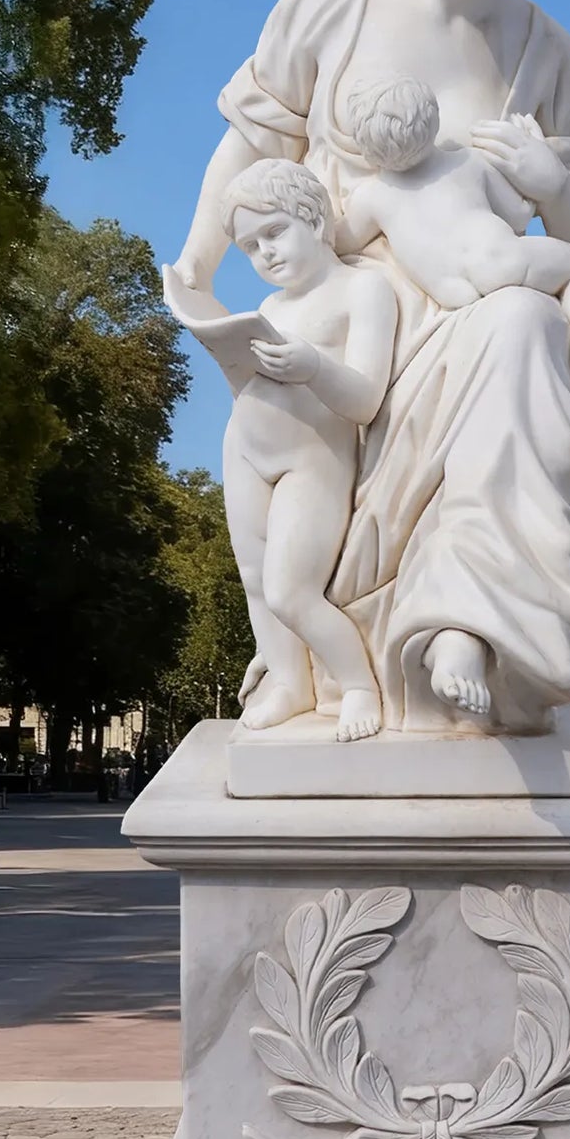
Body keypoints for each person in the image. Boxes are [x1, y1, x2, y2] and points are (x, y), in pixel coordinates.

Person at [173, 0, 570, 733]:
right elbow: (254, 145)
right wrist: (197, 262)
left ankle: (470, 623)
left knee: (528, 324)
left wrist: (545, 182)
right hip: (342, 311)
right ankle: (315, 662)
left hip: (474, 304)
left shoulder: (548, 57)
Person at [220, 159, 400, 740]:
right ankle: (291, 682)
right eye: (250, 246)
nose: (264, 254)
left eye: (274, 232)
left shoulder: (363, 289)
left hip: (313, 458)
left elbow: (367, 398)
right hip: (246, 448)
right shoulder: (269, 309)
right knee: (253, 579)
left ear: (314, 219)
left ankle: (357, 685)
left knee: (291, 590)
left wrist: (313, 365)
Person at [338, 77, 570, 369]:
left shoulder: (370, 196)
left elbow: (342, 239)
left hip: (450, 292)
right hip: (498, 259)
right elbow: (517, 214)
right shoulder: (467, 162)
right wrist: (535, 190)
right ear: (433, 121)